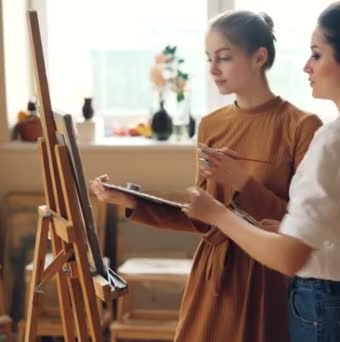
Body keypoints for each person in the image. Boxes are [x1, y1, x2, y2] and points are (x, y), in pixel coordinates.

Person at [91, 9, 322, 342]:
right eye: (209, 58)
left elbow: (299, 227)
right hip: (212, 279)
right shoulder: (211, 126)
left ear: (260, 57)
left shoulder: (301, 127)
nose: (213, 69)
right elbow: (202, 218)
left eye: (224, 58)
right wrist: (131, 200)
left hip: (267, 280)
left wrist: (243, 182)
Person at [183, 1, 340, 341]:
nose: (306, 66)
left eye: (317, 54)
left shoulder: (332, 138)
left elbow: (288, 258)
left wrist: (219, 215)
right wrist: (290, 229)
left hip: (328, 312)